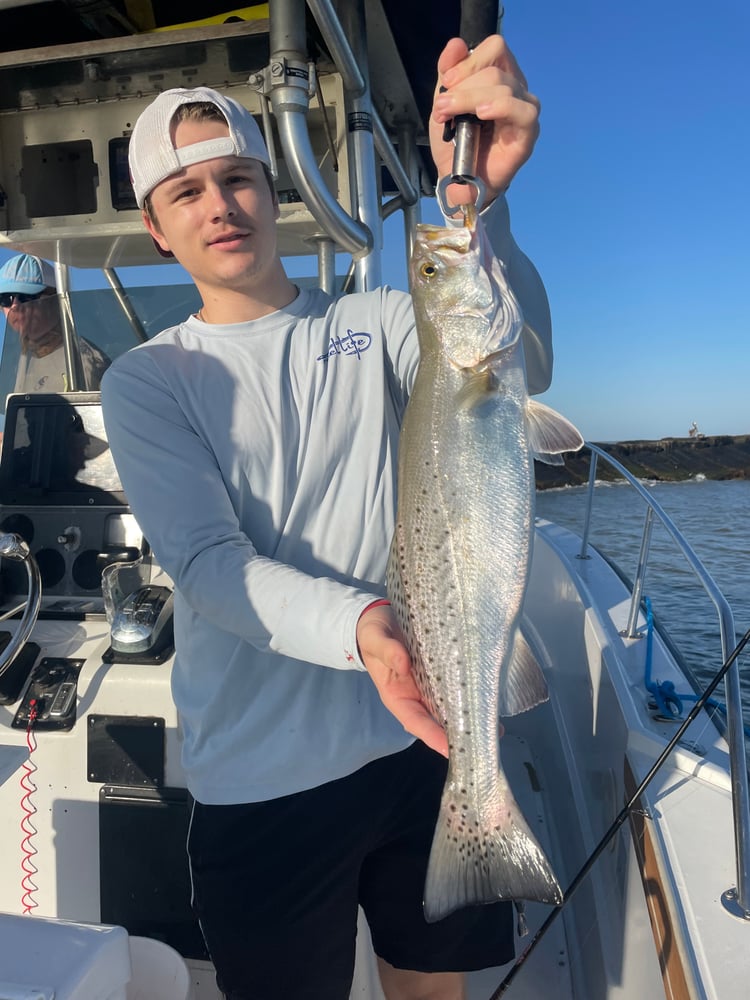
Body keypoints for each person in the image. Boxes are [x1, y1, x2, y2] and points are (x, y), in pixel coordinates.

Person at [102, 35, 550, 1000]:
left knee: (433, 989)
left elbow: (517, 363)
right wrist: (365, 629)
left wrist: (480, 202)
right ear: (156, 227)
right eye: (188, 193)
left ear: (274, 191)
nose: (220, 206)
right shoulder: (150, 380)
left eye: (238, 178)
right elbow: (209, 565)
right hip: (261, 779)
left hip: (416, 741)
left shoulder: (379, 322)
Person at [0, 253, 110, 395]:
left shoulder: (81, 362)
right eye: (5, 299)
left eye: (27, 297)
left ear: (55, 301)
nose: (15, 306)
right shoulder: (15, 363)